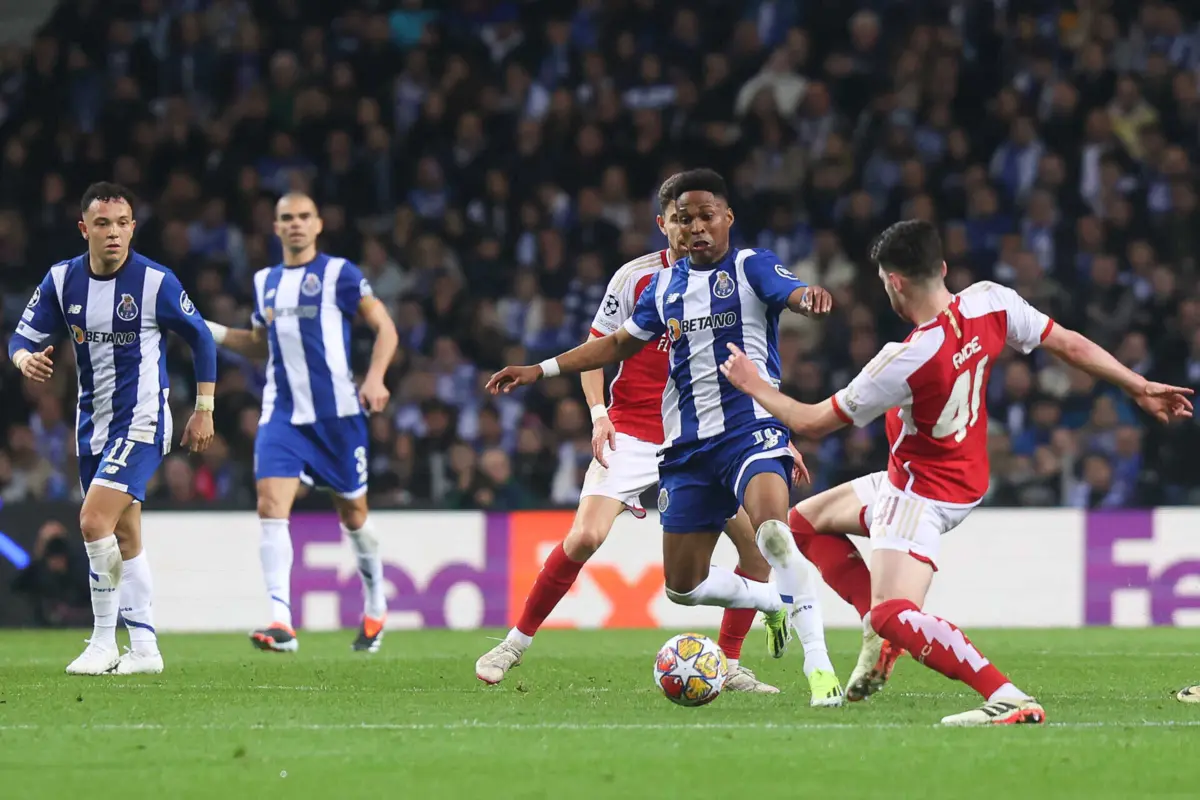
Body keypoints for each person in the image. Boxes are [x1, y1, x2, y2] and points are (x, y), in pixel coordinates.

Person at [718, 219, 1193, 725]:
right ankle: (883, 633)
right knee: (805, 523)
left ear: (894, 282)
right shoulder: (991, 301)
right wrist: (1137, 385)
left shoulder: (902, 360)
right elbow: (1069, 343)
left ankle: (1005, 695)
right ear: (941, 268)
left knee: (892, 613)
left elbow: (811, 422)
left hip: (918, 492)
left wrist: (753, 384)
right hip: (963, 476)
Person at [486, 168, 844, 704]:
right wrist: (560, 385)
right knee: (668, 579)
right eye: (684, 219)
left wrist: (804, 299)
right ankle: (773, 602)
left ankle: (795, 667)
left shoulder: (749, 265)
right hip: (664, 439)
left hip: (745, 433)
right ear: (665, 226)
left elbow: (787, 292)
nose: (695, 228)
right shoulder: (650, 284)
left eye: (706, 217)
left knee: (767, 537)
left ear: (726, 218)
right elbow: (608, 346)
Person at [8, 181, 217, 675]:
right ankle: (145, 649)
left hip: (143, 420)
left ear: (133, 229)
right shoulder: (63, 281)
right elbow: (21, 335)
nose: (114, 233)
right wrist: (23, 360)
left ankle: (103, 641)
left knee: (92, 521)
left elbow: (201, 337)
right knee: (124, 534)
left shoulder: (155, 282)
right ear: (85, 229)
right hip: (93, 425)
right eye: (103, 223)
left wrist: (204, 406)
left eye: (123, 223)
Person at [205, 192, 399, 654]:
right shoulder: (264, 281)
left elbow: (385, 327)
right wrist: (202, 328)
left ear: (318, 224)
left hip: (338, 417)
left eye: (303, 217)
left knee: (354, 517)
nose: (295, 224)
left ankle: (375, 605)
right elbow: (258, 344)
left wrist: (374, 377)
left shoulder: (339, 274)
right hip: (283, 414)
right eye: (286, 218)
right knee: (272, 506)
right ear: (275, 228)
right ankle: (282, 624)